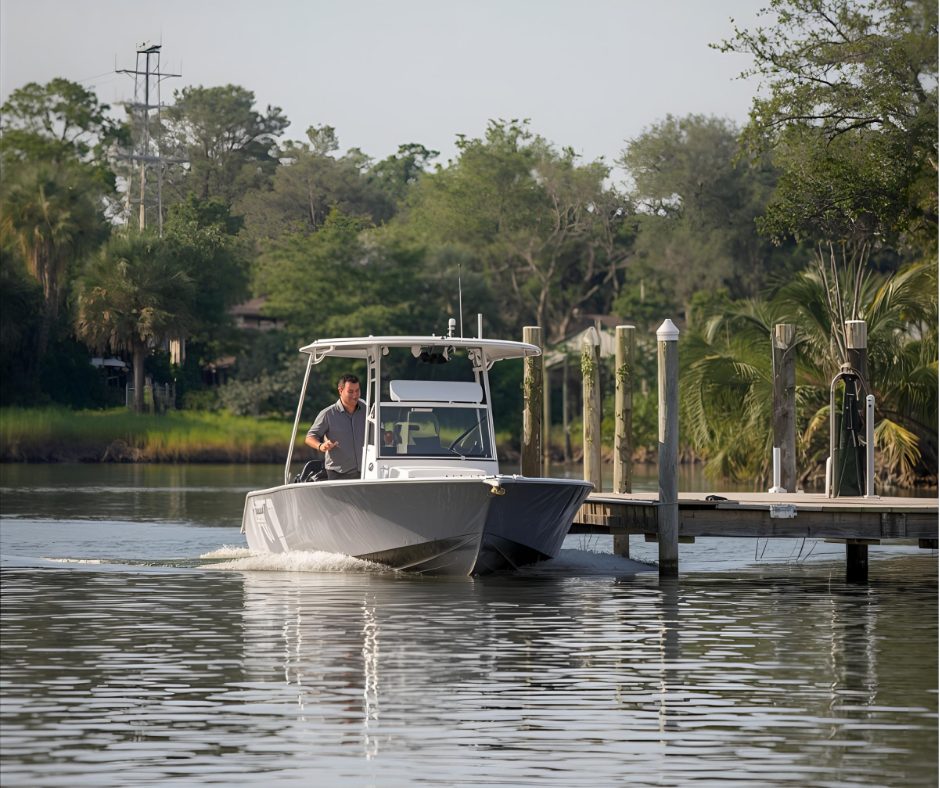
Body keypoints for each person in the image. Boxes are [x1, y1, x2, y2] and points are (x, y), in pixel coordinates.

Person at [305, 374, 366, 480]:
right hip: (338, 474)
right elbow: (309, 437)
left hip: (366, 473)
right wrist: (321, 446)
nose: (355, 395)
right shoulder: (327, 414)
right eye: (350, 392)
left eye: (357, 390)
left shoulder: (368, 410)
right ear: (340, 391)